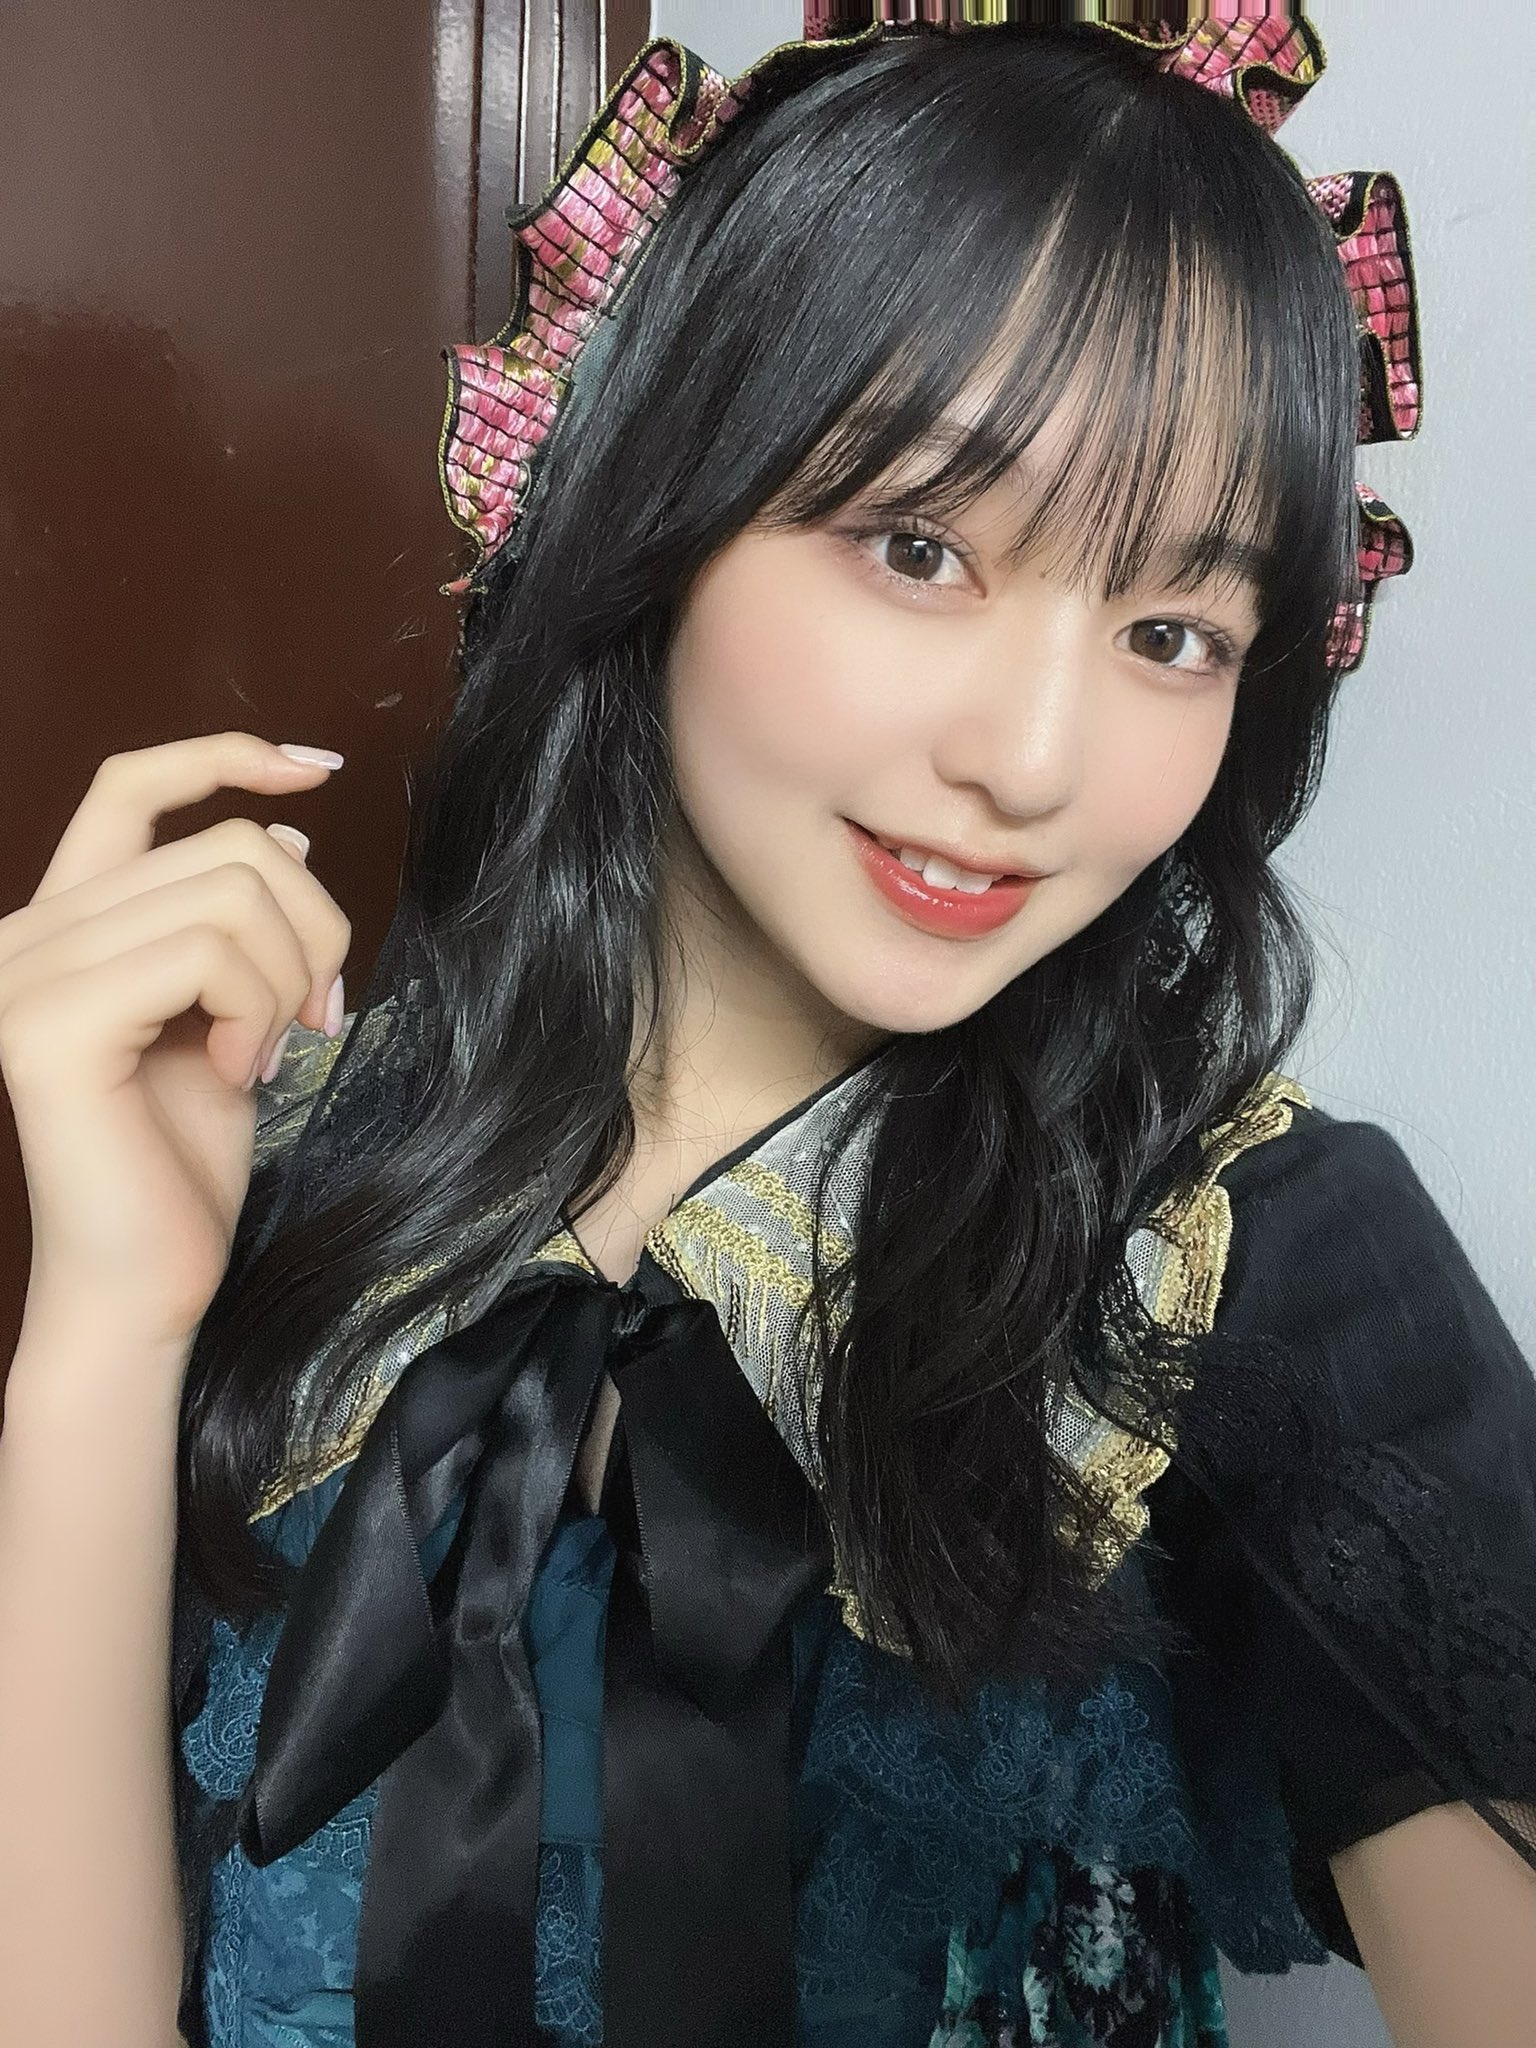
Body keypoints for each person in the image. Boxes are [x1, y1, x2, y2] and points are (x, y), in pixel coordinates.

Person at [0, 8, 1532, 2047]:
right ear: (657, 493)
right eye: (921, 546)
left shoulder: (1252, 1264)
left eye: (1173, 630)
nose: (1035, 760)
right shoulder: (286, 1173)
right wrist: (107, 1326)